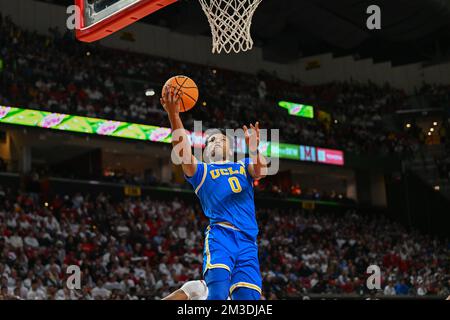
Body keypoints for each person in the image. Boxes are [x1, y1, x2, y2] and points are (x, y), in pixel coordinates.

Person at [160, 86, 268, 300]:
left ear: (231, 149)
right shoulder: (201, 171)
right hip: (222, 235)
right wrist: (174, 115)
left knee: (248, 301)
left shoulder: (243, 165)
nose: (217, 141)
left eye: (222, 139)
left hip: (248, 242)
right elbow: (182, 150)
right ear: (206, 151)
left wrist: (255, 148)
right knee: (217, 294)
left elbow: (261, 170)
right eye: (211, 141)